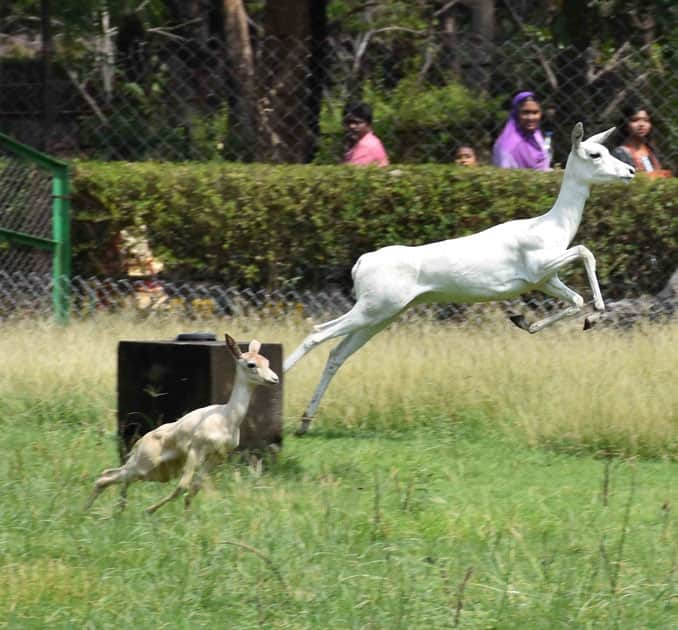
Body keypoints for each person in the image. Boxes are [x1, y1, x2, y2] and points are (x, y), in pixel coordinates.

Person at [492, 91, 551, 171]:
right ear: (516, 114)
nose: (531, 118)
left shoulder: (537, 137)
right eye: (525, 112)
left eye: (535, 112)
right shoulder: (507, 145)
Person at [611, 102, 671, 179]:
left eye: (646, 120)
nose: (641, 124)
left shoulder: (651, 150)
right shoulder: (620, 153)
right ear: (626, 125)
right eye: (635, 120)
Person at [343, 102, 389, 167]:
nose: (351, 126)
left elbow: (350, 173)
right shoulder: (364, 141)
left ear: (368, 124)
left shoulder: (366, 146)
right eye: (348, 122)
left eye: (356, 122)